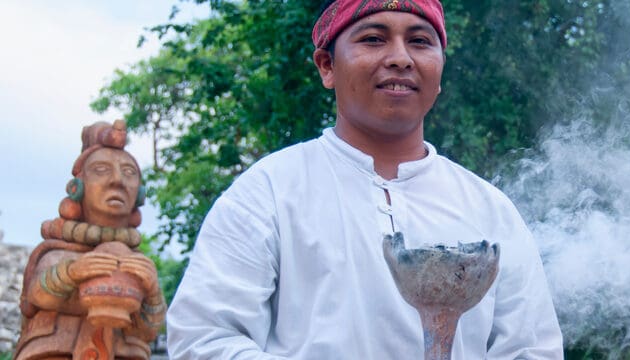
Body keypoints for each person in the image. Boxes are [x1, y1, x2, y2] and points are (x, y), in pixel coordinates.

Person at [165, 1, 563, 358]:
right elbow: (204, 340)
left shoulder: (490, 210)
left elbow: (533, 350)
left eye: (420, 41)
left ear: (440, 73)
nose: (400, 58)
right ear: (327, 66)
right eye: (373, 39)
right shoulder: (268, 192)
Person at [16, 120, 165, 360]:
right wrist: (72, 272)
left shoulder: (138, 262)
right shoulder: (56, 253)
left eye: (129, 173)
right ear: (78, 187)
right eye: (102, 170)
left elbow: (148, 330)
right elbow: (38, 295)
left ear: (139, 194)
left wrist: (153, 291)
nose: (117, 181)